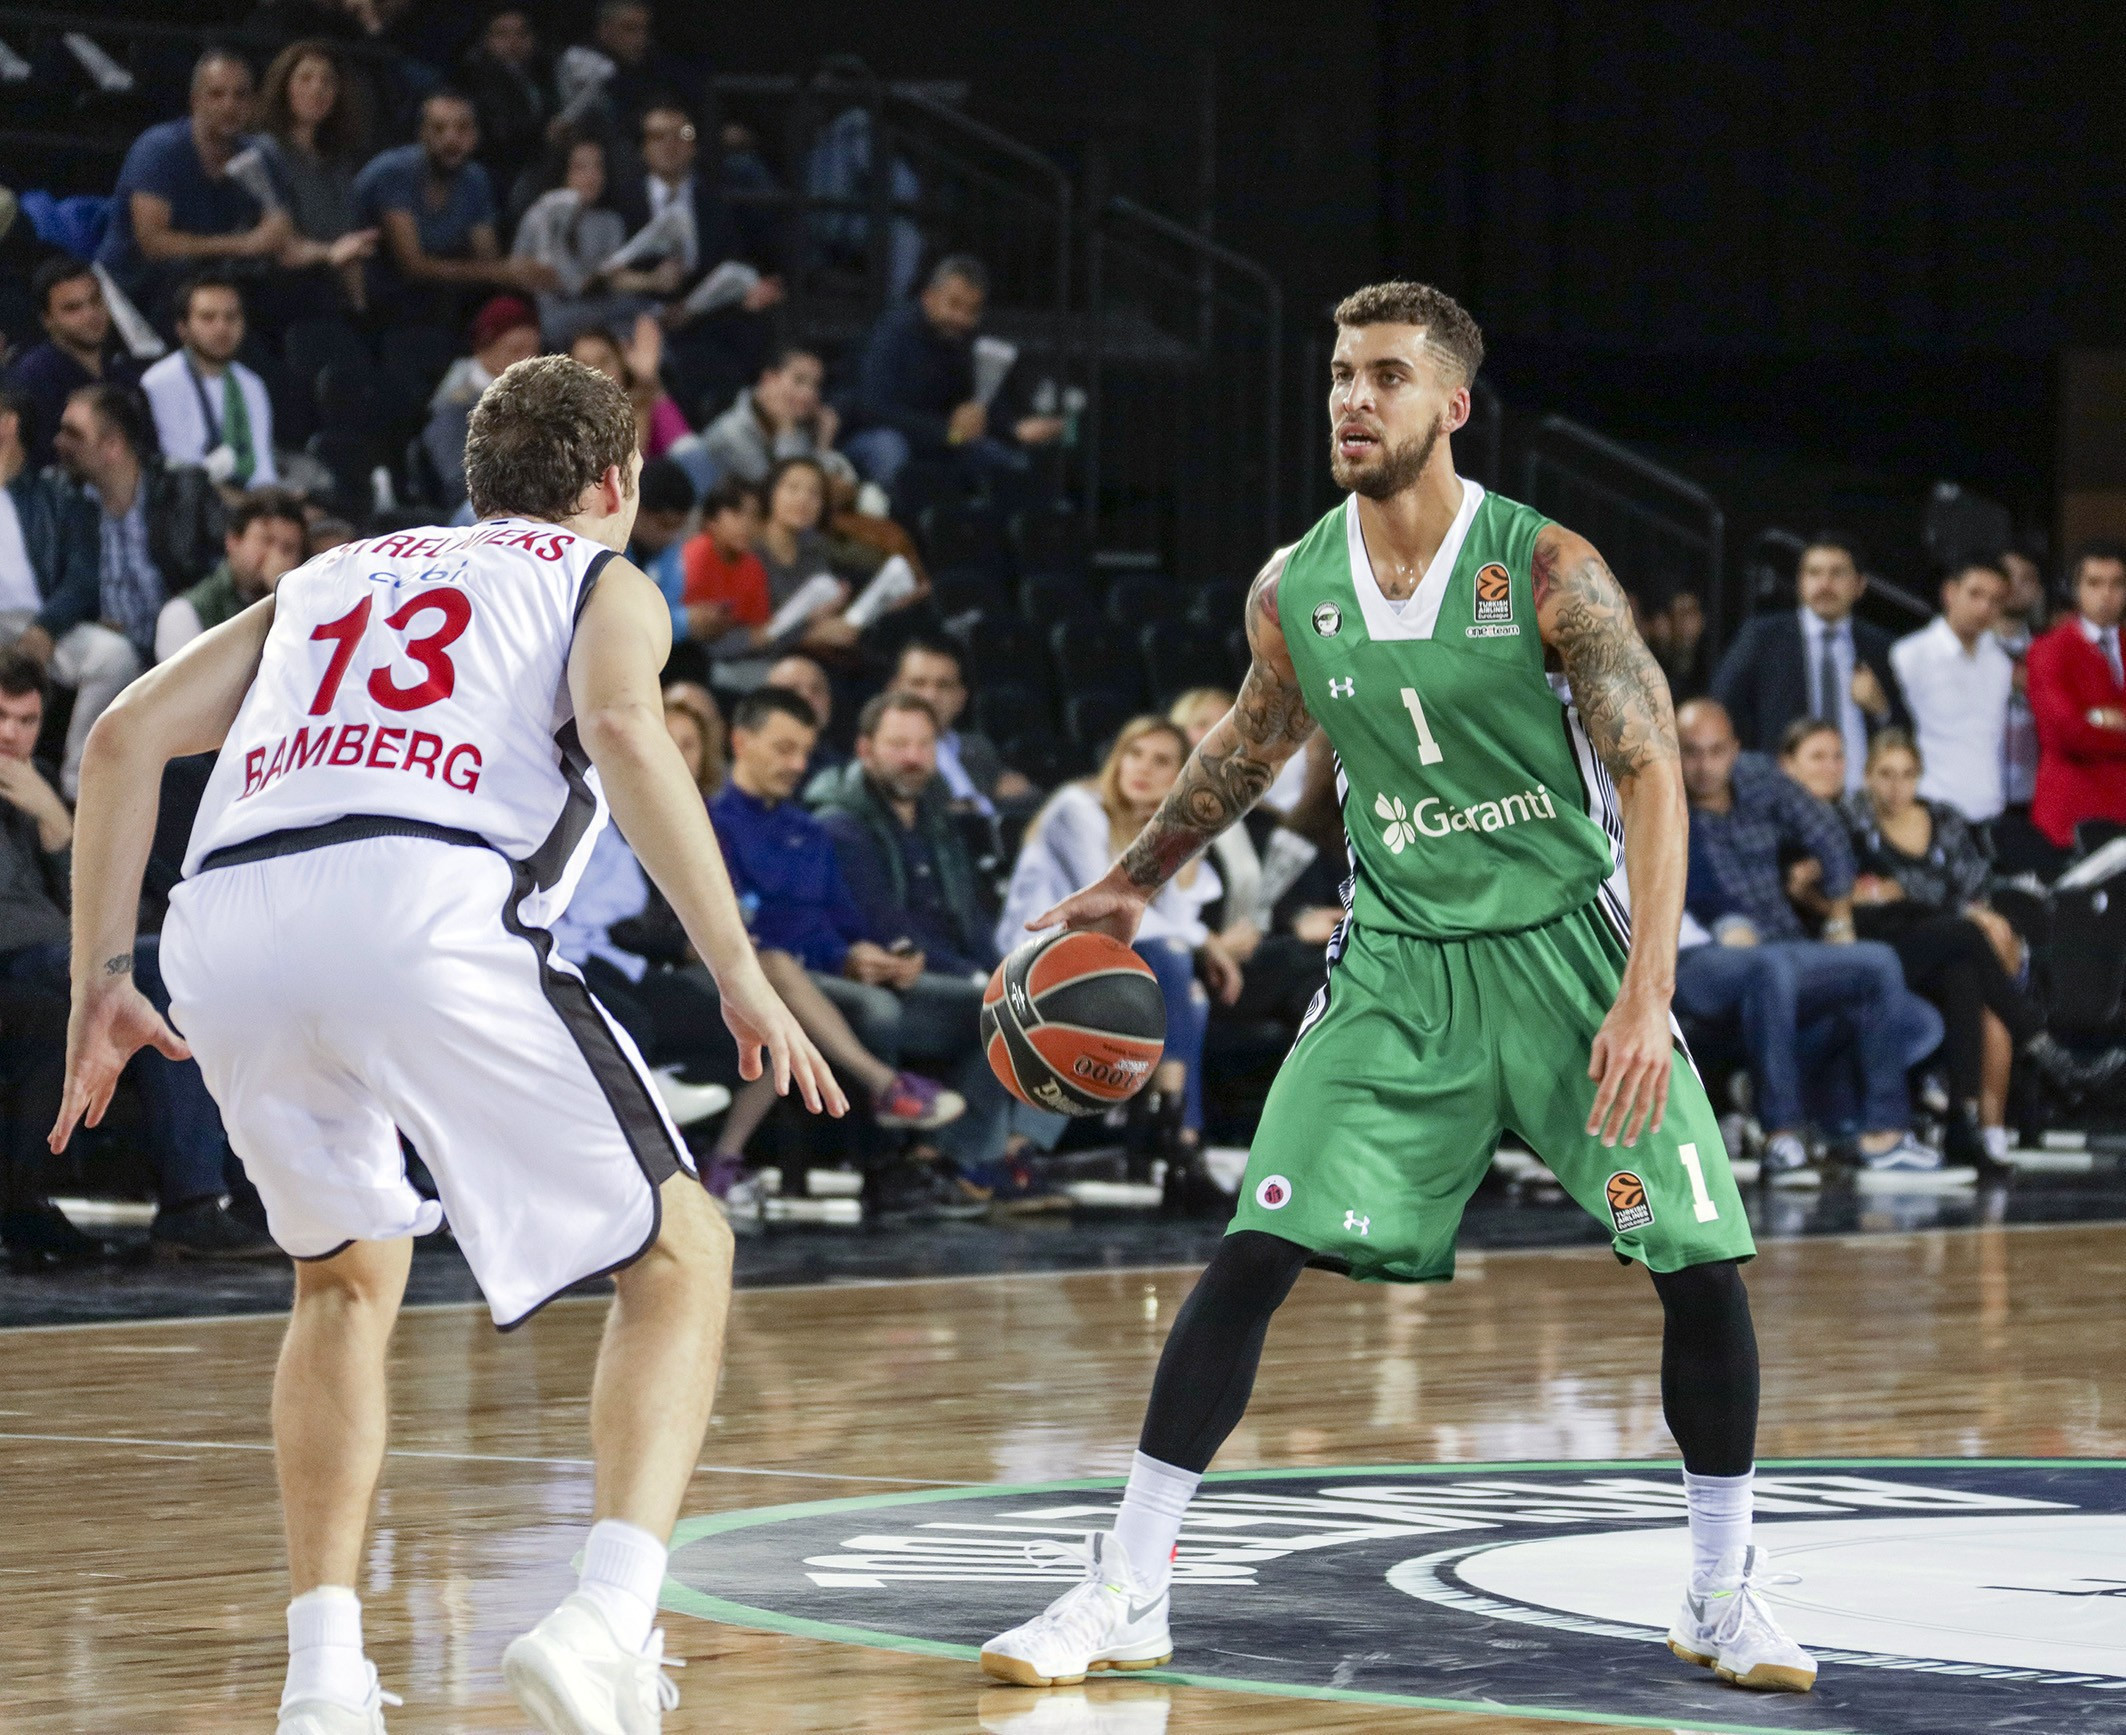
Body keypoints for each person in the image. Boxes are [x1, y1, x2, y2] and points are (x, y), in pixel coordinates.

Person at [980, 282, 1816, 1699]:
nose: (1350, 401)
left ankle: (1720, 1593)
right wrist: (1136, 875)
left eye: (1382, 376)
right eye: (1337, 377)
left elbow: (1648, 772)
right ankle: (1125, 1588)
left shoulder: (1545, 567)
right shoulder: (1290, 584)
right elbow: (1247, 740)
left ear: (1451, 404)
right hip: (1394, 968)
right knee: (1253, 1246)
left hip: (1566, 957)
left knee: (1697, 1260)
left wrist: (1644, 987)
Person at [52, 352, 843, 1731]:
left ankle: (323, 1677)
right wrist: (736, 966)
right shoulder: (600, 579)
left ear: (479, 481)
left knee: (342, 1279)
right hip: (418, 896)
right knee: (680, 1250)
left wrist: (103, 979)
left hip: (225, 926)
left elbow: (121, 738)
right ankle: (606, 1620)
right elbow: (622, 726)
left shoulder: (334, 572)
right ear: (617, 481)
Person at [0, 649, 270, 1262]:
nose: (12, 734)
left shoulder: (36, 780)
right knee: (156, 964)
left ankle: (249, 1196)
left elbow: (81, 902)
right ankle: (191, 1205)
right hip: (18, 957)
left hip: (53, 952)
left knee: (195, 958)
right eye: (2, 718)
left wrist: (56, 825)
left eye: (27, 720)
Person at [1675, 697, 1936, 1176]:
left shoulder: (1757, 778)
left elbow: (1825, 831)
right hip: (1697, 954)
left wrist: (1838, 914)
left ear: (1734, 750)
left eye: (1716, 751)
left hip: (1782, 947)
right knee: (1771, 967)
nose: (1704, 765)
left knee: (1887, 974)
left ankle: (1882, 1134)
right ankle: (1783, 1136)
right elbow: (1694, 881)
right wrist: (1727, 922)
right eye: (1691, 752)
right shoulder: (1663, 795)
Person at [1840, 729, 2123, 1167]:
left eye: (1907, 774)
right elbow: (1874, 895)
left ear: (1920, 775)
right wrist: (1945, 905)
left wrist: (1926, 898)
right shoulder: (1855, 819)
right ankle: (2045, 1050)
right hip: (1886, 942)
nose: (1896, 787)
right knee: (1972, 936)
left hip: (1940, 942)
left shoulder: (1943, 819)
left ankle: (1965, 1122)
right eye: (1885, 774)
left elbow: (1973, 886)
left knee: (1968, 970)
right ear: (1867, 776)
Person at [710, 685, 969, 1132]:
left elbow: (847, 919)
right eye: (784, 749)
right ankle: (887, 1101)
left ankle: (949, 1150)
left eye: (805, 752)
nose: (798, 765)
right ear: (741, 742)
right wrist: (840, 958)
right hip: (763, 972)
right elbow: (738, 925)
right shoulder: (711, 823)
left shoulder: (809, 830)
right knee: (874, 1009)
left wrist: (875, 955)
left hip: (826, 972)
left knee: (981, 1007)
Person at [996, 716, 1238, 1167]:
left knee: (1191, 993)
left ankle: (1171, 1128)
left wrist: (1179, 839)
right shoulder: (1075, 808)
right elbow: (1110, 907)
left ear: (1181, 775)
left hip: (1099, 955)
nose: (1142, 768)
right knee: (1173, 963)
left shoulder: (1152, 823)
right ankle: (1177, 1133)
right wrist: (1208, 941)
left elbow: (1173, 916)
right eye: (1133, 753)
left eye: (1161, 761)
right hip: (1035, 951)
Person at [0, 387, 140, 795]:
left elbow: (82, 576)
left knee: (114, 657)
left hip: (38, 622)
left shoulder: (57, 496)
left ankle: (76, 791)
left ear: (8, 424)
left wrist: (45, 628)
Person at [842, 255, 1065, 509]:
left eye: (972, 311)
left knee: (1006, 461)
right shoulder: (892, 334)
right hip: (878, 436)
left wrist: (1013, 429)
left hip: (946, 441)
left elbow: (984, 407)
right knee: (889, 449)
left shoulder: (968, 342)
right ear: (929, 298)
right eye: (954, 304)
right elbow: (874, 408)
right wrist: (949, 432)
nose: (961, 317)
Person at [96, 49, 294, 312]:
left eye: (240, 95)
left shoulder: (259, 154)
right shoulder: (159, 149)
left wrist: (328, 253)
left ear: (253, 103)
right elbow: (154, 244)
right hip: (137, 293)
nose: (229, 106)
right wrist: (245, 245)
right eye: (216, 94)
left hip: (214, 289)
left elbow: (279, 235)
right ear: (195, 101)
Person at [53, 382, 226, 679]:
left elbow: (216, 576)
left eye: (74, 434)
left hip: (180, 650)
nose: (59, 442)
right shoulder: (65, 499)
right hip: (112, 658)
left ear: (112, 446)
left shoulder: (183, 490)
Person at [1710, 532, 1907, 783]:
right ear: (1800, 582)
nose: (1824, 584)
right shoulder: (1763, 638)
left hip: (1860, 795)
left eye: (1837, 574)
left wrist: (1882, 710)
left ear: (1859, 585)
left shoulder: (1883, 647)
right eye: (1814, 573)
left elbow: (1911, 730)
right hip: (1783, 791)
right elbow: (1720, 708)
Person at [354, 88, 554, 325]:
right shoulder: (394, 172)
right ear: (422, 133)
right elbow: (413, 266)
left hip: (440, 302)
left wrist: (523, 273)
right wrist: (502, 271)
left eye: (462, 128)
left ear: (476, 135)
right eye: (439, 128)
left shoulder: (475, 179)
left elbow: (487, 257)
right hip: (374, 301)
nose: (451, 139)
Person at [513, 132, 684, 346]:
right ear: (564, 172)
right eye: (581, 168)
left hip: (604, 312)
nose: (592, 176)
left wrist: (653, 280)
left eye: (598, 167)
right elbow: (527, 273)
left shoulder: (610, 221)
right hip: (558, 315)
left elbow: (613, 278)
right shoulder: (541, 215)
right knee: (639, 314)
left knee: (644, 326)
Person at [254, 40, 380, 314]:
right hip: (279, 295)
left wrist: (360, 311)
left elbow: (349, 242)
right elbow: (281, 248)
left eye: (327, 81)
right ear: (284, 86)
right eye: (305, 78)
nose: (317, 89)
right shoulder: (264, 152)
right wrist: (331, 253)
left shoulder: (338, 161)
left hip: (331, 297)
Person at [1889, 559, 2012, 824]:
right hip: (1930, 807)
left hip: (1990, 809)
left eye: (1995, 600)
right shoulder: (1910, 655)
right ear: (1950, 592)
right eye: (1975, 594)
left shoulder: (2000, 664)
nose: (1984, 607)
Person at [2026, 541, 2126, 853]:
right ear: (2076, 589)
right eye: (2094, 583)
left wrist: (2098, 719)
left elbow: (2082, 728)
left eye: (2116, 584)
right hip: (2071, 819)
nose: (2106, 594)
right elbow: (2067, 734)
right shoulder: (2048, 650)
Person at [140, 273, 280, 488]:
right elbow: (182, 468)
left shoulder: (252, 384)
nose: (221, 327)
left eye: (231, 317)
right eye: (208, 318)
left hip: (250, 499)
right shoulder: (160, 383)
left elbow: (262, 466)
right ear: (182, 329)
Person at [4, 260, 144, 470]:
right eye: (73, 308)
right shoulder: (33, 381)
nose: (90, 314)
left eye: (96, 301)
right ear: (47, 319)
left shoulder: (124, 371)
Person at [419, 294, 543, 511]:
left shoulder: (542, 397)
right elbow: (458, 482)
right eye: (516, 350)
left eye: (534, 351)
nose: (528, 360)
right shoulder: (454, 407)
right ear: (484, 350)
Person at [889, 637, 1037, 814]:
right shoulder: (884, 755)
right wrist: (983, 804)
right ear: (894, 691)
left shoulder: (977, 748)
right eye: (918, 684)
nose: (931, 696)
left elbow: (1027, 797)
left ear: (961, 698)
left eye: (943, 686)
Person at [155, 488, 308, 660]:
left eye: (288, 549)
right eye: (266, 540)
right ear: (233, 541)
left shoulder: (305, 610)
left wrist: (282, 597)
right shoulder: (186, 613)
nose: (276, 557)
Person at [699, 347, 853, 487]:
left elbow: (839, 486)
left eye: (816, 385)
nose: (809, 394)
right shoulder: (731, 433)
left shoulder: (799, 426)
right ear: (769, 379)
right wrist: (787, 431)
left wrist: (823, 445)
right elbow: (783, 491)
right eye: (799, 380)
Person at [458, 6, 554, 199]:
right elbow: (498, 133)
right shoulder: (476, 77)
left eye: (522, 33)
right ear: (486, 40)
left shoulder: (541, 73)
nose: (513, 42)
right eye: (502, 34)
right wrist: (545, 132)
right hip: (500, 174)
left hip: (538, 168)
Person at [678, 476, 773, 660]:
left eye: (755, 516)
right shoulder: (696, 556)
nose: (747, 524)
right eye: (737, 513)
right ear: (711, 520)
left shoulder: (753, 566)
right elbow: (689, 627)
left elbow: (759, 628)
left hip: (737, 654)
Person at [571, 322, 690, 461]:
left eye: (604, 361)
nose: (596, 372)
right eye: (585, 366)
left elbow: (686, 450)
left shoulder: (647, 396)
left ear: (620, 361)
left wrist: (647, 381)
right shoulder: (576, 432)